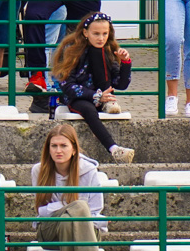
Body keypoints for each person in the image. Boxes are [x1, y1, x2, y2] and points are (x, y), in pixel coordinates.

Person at [32, 124, 118, 251]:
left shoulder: (89, 171)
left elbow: (95, 210)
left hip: (87, 228)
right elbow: (42, 212)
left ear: (73, 149)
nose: (58, 150)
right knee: (79, 207)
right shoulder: (39, 170)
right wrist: (72, 207)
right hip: (49, 229)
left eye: (64, 146)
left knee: (69, 220)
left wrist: (68, 211)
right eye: (54, 146)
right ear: (48, 149)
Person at [52, 12, 135, 164]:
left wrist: (125, 63)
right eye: (96, 33)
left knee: (99, 52)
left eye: (105, 33)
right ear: (85, 32)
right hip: (78, 98)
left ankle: (106, 102)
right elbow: (67, 85)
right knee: (89, 110)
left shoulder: (108, 51)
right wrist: (95, 96)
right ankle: (114, 149)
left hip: (102, 96)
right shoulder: (71, 50)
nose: (101, 38)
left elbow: (121, 84)